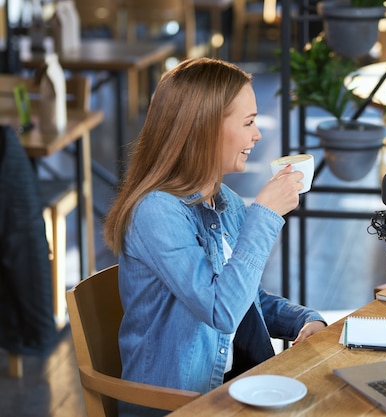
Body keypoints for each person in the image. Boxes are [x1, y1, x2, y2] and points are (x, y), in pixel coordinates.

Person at [103, 58, 326, 416]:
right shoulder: (156, 212)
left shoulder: (226, 202)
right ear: (205, 128)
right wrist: (265, 215)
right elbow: (221, 311)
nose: (258, 135)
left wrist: (305, 320)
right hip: (178, 406)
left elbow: (246, 302)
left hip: (231, 392)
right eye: (249, 122)